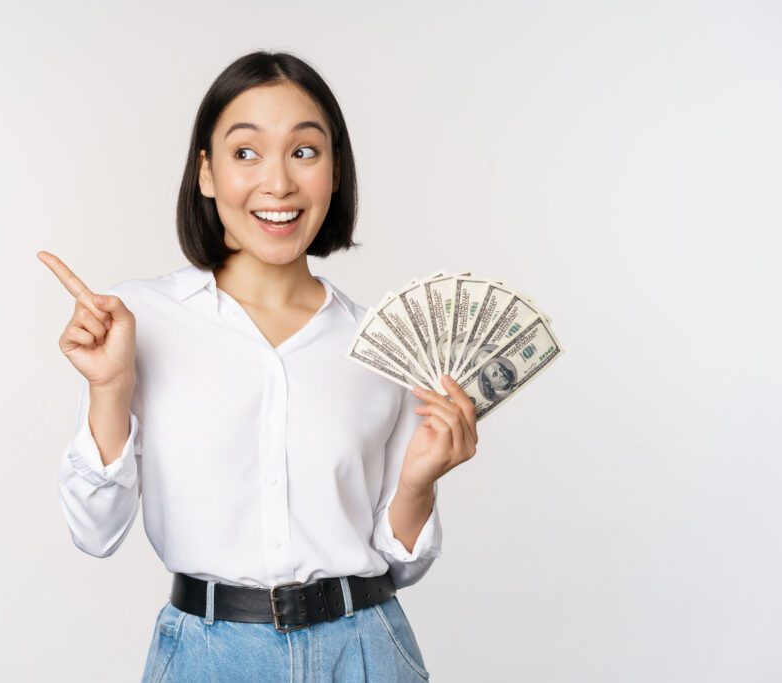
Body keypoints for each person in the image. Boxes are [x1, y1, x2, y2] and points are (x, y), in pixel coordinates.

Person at [39, 50, 479, 682]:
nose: (279, 183)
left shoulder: (380, 343)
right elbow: (95, 532)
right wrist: (110, 389)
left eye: (304, 151)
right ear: (207, 172)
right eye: (246, 152)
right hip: (208, 659)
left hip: (366, 653)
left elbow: (400, 565)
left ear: (334, 173)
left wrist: (418, 483)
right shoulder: (138, 318)